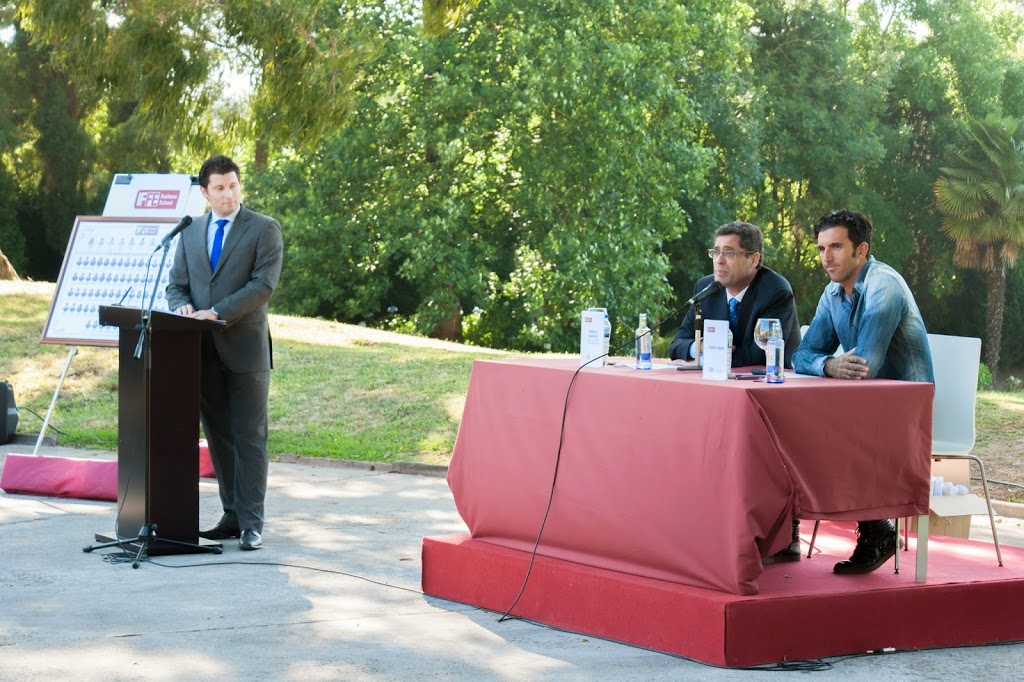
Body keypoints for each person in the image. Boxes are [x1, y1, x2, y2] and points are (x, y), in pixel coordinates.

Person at [793, 209, 933, 575]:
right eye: (822, 248)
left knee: (818, 434)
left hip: (906, 409)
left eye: (836, 247)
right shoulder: (831, 293)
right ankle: (785, 534)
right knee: (788, 431)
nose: (826, 258)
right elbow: (801, 355)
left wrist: (832, 364)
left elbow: (864, 366)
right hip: (863, 405)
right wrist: (827, 365)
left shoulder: (884, 285)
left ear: (861, 250)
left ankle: (879, 531)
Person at [166, 155, 284, 551]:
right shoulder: (190, 231)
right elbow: (177, 285)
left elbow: (262, 287)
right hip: (201, 351)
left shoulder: (264, 229)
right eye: (219, 187)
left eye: (233, 185)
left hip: (245, 351)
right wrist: (181, 306)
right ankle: (232, 515)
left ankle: (252, 523)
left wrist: (217, 312)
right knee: (218, 438)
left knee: (250, 437)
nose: (228, 193)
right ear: (205, 192)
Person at [669, 220, 803, 564]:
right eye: (716, 252)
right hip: (719, 393)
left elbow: (758, 354)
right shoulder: (706, 289)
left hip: (773, 396)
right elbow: (678, 343)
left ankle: (784, 533)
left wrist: (712, 350)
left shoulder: (775, 290)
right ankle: (703, 523)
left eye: (729, 253)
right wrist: (697, 352)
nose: (719, 261)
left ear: (754, 259)